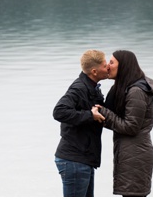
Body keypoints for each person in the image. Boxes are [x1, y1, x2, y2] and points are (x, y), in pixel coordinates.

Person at [97, 50, 153, 197]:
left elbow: (131, 127)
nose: (108, 66)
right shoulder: (124, 88)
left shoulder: (136, 91)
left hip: (136, 155)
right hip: (129, 152)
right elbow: (115, 119)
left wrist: (103, 113)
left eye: (112, 62)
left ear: (124, 66)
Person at [53, 49, 110, 197]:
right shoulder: (79, 88)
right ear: (94, 71)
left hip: (82, 159)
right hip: (73, 160)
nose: (108, 67)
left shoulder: (92, 87)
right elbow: (59, 111)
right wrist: (89, 115)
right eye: (104, 66)